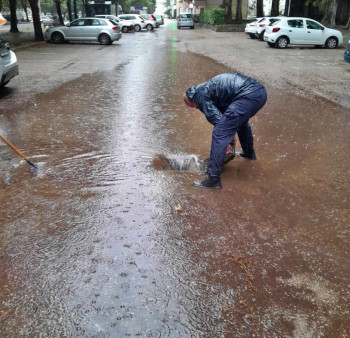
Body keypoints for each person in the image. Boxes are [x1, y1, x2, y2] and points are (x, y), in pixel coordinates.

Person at [183, 73, 267, 189]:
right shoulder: (208, 89)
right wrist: (230, 135)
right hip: (259, 92)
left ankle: (213, 179)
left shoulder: (199, 96)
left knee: (220, 132)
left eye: (194, 107)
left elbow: (218, 121)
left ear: (192, 100)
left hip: (247, 95)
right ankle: (248, 154)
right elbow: (226, 119)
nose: (197, 108)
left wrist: (228, 141)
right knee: (241, 123)